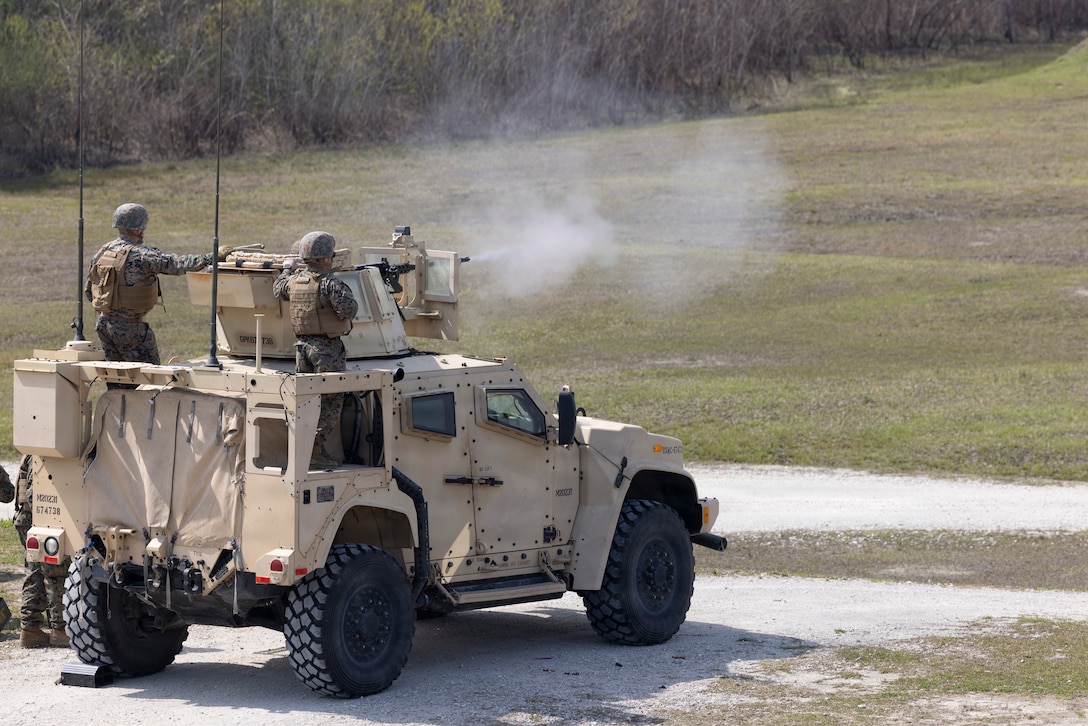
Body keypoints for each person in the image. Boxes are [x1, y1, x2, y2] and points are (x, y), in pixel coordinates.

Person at [86, 203, 228, 365]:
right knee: (149, 381)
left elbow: (89, 290)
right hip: (132, 330)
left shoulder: (103, 251)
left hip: (104, 326)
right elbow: (177, 265)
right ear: (139, 228)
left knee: (117, 379)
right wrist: (213, 256)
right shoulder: (142, 255)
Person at [273, 231, 357, 469]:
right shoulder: (331, 284)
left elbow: (278, 288)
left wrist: (287, 269)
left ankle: (299, 449)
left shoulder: (293, 282)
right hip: (327, 350)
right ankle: (314, 451)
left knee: (305, 401)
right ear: (325, 258)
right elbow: (349, 310)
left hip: (302, 349)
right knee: (331, 401)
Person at [13, 455, 70, 648]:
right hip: (37, 520)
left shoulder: (31, 453)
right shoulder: (42, 456)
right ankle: (60, 630)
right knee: (56, 574)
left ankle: (30, 630)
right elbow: (34, 493)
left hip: (26, 519)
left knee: (35, 573)